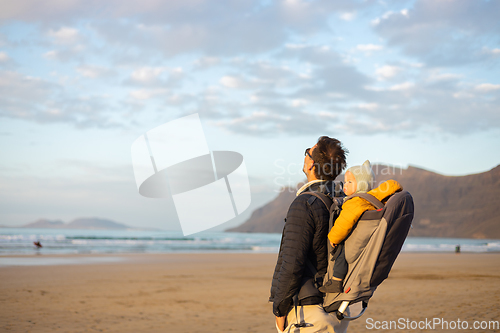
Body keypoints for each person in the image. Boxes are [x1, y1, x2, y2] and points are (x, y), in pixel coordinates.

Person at [269, 136, 349, 333]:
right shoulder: (343, 201)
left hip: (309, 313)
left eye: (307, 151)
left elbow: (292, 262)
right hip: (337, 307)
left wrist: (279, 310)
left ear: (311, 163)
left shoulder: (305, 203)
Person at [321, 160, 402, 293]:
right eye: (345, 181)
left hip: (353, 245)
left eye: (350, 182)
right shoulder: (371, 199)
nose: (345, 185)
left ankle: (336, 280)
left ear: (362, 184)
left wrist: (333, 238)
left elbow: (344, 223)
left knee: (340, 249)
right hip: (367, 242)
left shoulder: (355, 203)